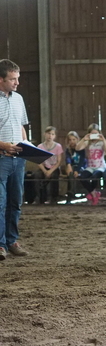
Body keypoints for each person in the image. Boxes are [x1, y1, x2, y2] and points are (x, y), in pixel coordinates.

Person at [0, 59, 30, 260]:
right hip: (1, 158)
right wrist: (4, 145)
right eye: (13, 79)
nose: (17, 83)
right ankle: (0, 244)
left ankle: (11, 241)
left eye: (17, 78)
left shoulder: (18, 99)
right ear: (1, 79)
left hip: (18, 159)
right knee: (0, 203)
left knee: (15, 202)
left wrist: (27, 143)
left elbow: (21, 126)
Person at [76, 123, 106, 205]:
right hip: (90, 167)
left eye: (96, 133)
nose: (94, 135)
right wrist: (84, 139)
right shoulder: (87, 143)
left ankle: (93, 194)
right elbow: (78, 148)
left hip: (100, 166)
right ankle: (94, 193)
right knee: (82, 177)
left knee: (95, 176)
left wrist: (103, 139)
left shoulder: (102, 143)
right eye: (92, 133)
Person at [34, 126, 63, 204]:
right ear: (45, 134)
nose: (50, 136)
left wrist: (50, 171)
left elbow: (59, 162)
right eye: (48, 133)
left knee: (54, 176)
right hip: (44, 167)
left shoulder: (58, 146)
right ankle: (38, 197)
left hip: (54, 168)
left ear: (55, 136)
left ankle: (52, 198)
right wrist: (44, 171)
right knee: (36, 175)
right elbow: (38, 161)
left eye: (52, 134)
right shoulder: (40, 147)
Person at [64, 131, 86, 203]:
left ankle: (71, 192)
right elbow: (68, 159)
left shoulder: (81, 149)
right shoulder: (68, 150)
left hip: (81, 166)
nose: (72, 141)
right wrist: (69, 166)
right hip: (73, 167)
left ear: (77, 139)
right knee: (70, 173)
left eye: (73, 139)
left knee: (75, 173)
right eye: (70, 140)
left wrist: (77, 170)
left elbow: (82, 161)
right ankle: (71, 194)